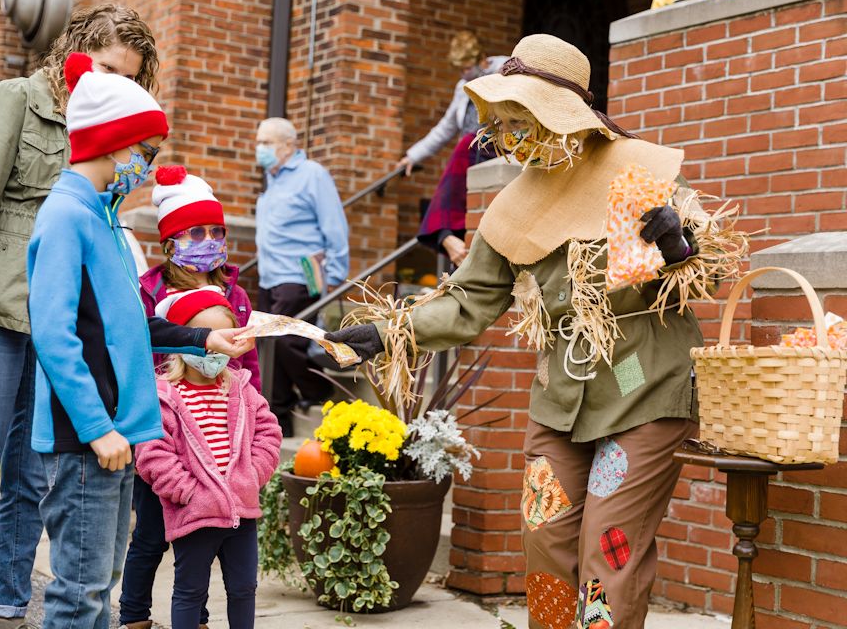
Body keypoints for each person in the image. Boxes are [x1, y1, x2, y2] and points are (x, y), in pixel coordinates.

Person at [327, 34, 741, 629]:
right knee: (545, 536)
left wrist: (679, 245)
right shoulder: (511, 208)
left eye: (521, 119)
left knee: (609, 546)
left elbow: (714, 263)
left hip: (644, 387)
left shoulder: (643, 174)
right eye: (501, 121)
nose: (508, 136)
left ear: (560, 117)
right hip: (561, 398)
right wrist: (394, 331)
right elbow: (469, 300)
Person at [0, 4, 159, 629]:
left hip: (59, 324)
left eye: (130, 78)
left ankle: (11, 603)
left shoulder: (108, 128)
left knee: (34, 480)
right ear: (75, 51)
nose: (115, 82)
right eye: (108, 67)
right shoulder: (15, 100)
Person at [26, 53, 254, 628]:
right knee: (79, 591)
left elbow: (129, 325)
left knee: (99, 586)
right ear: (112, 143)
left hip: (118, 429)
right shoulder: (65, 216)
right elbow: (53, 333)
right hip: (88, 437)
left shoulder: (103, 219)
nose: (146, 167)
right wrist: (97, 426)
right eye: (144, 152)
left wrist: (205, 343)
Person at [119, 165, 261, 629]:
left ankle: (196, 618)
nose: (209, 239)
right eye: (195, 232)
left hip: (222, 424)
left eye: (216, 231)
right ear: (169, 243)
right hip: (167, 426)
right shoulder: (148, 291)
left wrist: (251, 418)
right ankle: (134, 614)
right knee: (153, 535)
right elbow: (138, 347)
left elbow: (249, 362)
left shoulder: (235, 294)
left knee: (206, 535)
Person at [136, 287, 281, 629]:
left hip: (241, 513)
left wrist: (252, 474)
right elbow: (153, 453)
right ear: (183, 340)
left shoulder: (241, 388)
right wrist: (187, 493)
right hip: (195, 514)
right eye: (206, 340)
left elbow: (269, 434)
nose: (213, 353)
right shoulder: (165, 397)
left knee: (245, 588)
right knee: (190, 591)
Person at [254, 117, 349, 437]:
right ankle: (280, 412)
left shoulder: (312, 175)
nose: (260, 149)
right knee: (268, 343)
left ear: (288, 146)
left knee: (287, 341)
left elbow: (334, 225)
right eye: (259, 142)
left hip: (300, 275)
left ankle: (321, 389)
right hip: (270, 276)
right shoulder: (273, 179)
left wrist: (336, 275)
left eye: (267, 143)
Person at [396, 31, 507, 267]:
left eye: (466, 68)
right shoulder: (462, 87)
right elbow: (445, 128)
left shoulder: (505, 70)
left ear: (481, 59)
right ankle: (448, 238)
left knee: (466, 145)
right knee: (464, 149)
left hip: (498, 149)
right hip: (471, 156)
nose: (463, 74)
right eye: (459, 70)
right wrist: (412, 156)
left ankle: (443, 233)